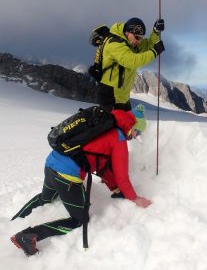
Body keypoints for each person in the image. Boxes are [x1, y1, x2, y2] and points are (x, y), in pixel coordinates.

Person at [10, 105, 151, 256]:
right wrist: (135, 198)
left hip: (52, 163)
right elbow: (122, 176)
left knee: (45, 198)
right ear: (132, 126)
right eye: (137, 133)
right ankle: (29, 236)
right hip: (67, 176)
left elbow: (101, 165)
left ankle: (11, 223)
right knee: (79, 220)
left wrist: (115, 189)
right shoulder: (119, 139)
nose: (135, 136)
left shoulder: (104, 125)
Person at [94, 17, 165, 111]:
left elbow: (148, 45)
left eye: (141, 38)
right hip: (110, 96)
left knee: (128, 124)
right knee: (115, 124)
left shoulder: (130, 43)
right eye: (137, 37)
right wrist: (154, 52)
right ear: (128, 32)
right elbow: (132, 61)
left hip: (122, 97)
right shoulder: (114, 43)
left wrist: (155, 32)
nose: (139, 41)